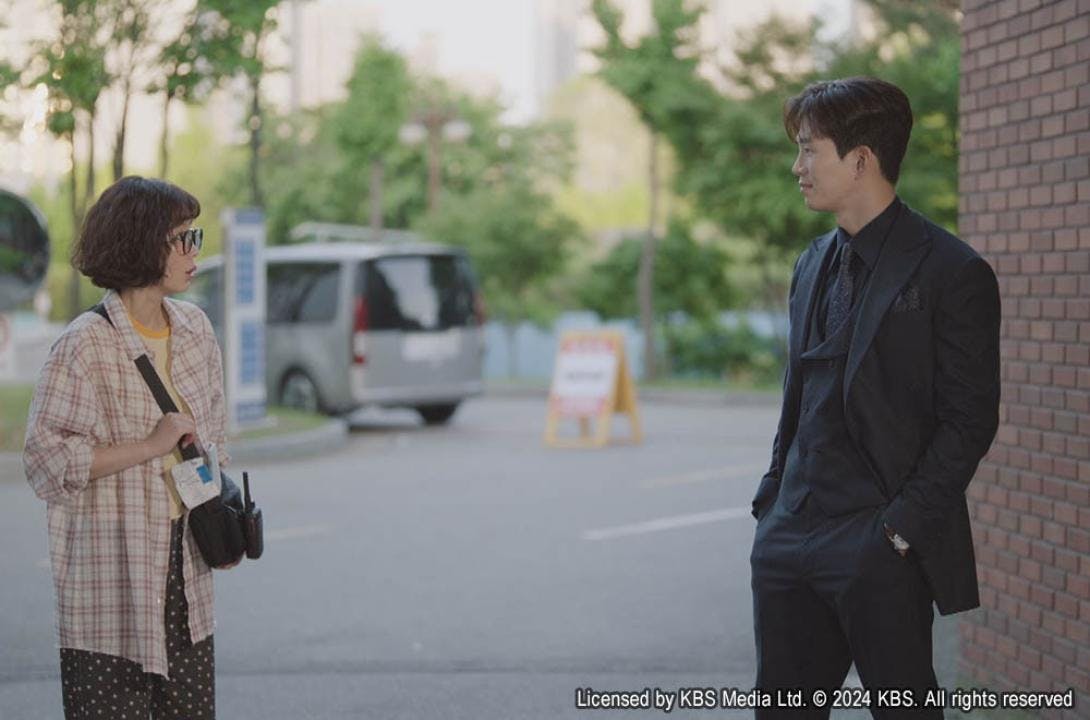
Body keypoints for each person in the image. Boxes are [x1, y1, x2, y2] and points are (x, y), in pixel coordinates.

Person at [749, 77, 1000, 719]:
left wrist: (899, 529)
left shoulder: (952, 271)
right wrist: (773, 497)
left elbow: (969, 420)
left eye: (809, 150)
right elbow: (798, 392)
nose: (797, 167)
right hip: (791, 534)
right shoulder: (811, 263)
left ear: (860, 159)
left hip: (878, 542)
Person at [24, 176, 229, 719]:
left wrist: (220, 520)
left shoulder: (196, 331)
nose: (194, 251)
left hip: (187, 570)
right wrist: (148, 445)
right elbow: (46, 462)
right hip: (111, 582)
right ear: (142, 242)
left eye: (195, 236)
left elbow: (215, 442)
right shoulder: (83, 345)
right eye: (182, 238)